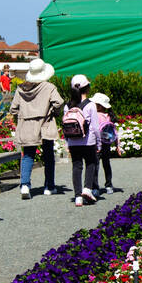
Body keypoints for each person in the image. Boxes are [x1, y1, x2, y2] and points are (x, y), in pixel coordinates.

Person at [10, 58, 64, 199]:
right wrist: (52, 112)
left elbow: (13, 109)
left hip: (27, 125)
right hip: (45, 124)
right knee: (48, 156)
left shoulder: (20, 89)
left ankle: (25, 186)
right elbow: (59, 102)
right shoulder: (49, 87)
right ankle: (49, 187)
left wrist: (23, 116)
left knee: (28, 156)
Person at [62, 74, 101, 206]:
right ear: (87, 88)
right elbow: (95, 127)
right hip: (88, 141)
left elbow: (64, 125)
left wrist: (67, 142)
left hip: (73, 141)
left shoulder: (67, 106)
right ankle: (87, 189)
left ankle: (78, 196)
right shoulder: (90, 105)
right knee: (91, 163)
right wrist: (99, 143)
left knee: (76, 166)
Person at [91, 92, 120, 194]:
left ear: (99, 106)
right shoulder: (109, 116)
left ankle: (95, 187)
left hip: (96, 144)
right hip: (107, 143)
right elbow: (115, 132)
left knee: (95, 165)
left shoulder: (95, 116)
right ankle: (109, 185)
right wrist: (117, 145)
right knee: (106, 164)